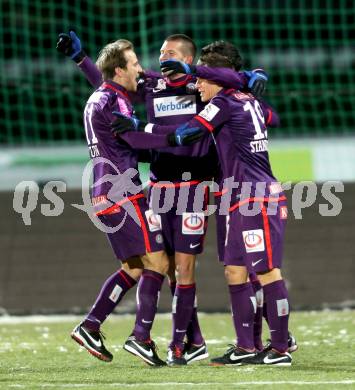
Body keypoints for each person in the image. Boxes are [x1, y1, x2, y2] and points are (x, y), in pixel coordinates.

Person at [57, 31, 267, 365]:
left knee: (183, 268)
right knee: (162, 267)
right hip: (156, 187)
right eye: (158, 53)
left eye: (168, 52)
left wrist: (250, 77)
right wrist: (82, 60)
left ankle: (179, 344)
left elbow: (233, 88)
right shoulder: (152, 86)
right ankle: (178, 339)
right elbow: (110, 84)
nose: (159, 58)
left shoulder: (201, 85)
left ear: (186, 60)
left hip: (194, 187)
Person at [118, 40, 293, 366]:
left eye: (202, 78)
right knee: (235, 270)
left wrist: (140, 128)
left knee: (266, 272)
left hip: (254, 196)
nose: (196, 85)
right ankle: (246, 346)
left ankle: (281, 347)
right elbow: (274, 116)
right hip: (236, 196)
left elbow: (185, 134)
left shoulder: (223, 103)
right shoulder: (249, 98)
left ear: (219, 77)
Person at [68, 38, 195, 366]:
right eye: (134, 63)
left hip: (107, 193)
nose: (140, 68)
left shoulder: (100, 97)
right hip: (122, 193)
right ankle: (141, 337)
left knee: (135, 266)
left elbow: (123, 136)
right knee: (159, 264)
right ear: (120, 70)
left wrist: (82, 60)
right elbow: (134, 137)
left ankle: (92, 325)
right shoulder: (116, 100)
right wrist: (172, 138)